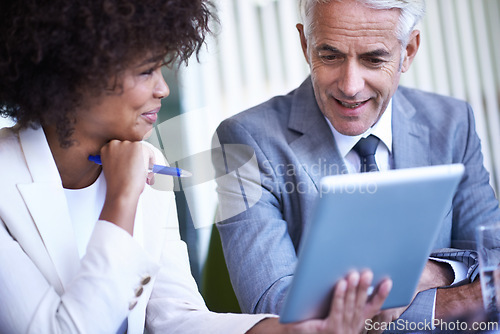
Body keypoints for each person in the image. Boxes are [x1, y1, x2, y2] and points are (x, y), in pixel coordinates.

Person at [0, 0, 393, 333]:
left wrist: (296, 330)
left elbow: (177, 318)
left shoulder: (148, 161)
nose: (163, 89)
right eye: (146, 71)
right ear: (75, 75)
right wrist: (121, 200)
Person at [212, 0, 500, 329]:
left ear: (408, 50)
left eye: (373, 59)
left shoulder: (451, 123)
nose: (350, 86)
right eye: (330, 55)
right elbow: (280, 309)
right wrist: (459, 298)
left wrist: (436, 270)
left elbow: (494, 253)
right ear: (306, 45)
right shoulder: (243, 142)